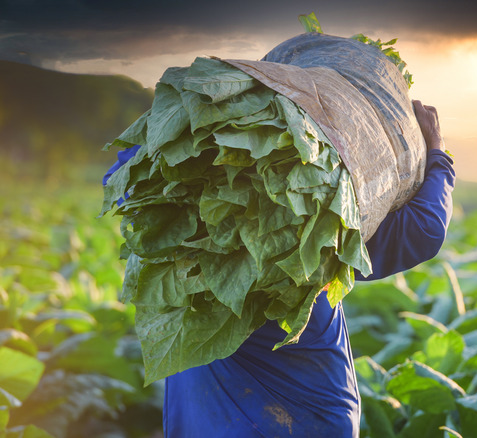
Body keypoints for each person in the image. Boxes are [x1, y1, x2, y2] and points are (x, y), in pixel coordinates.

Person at [104, 100, 455, 437]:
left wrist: (197, 111)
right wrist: (437, 153)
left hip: (204, 422)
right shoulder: (310, 225)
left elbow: (123, 170)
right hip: (303, 423)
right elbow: (425, 230)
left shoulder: (170, 225)